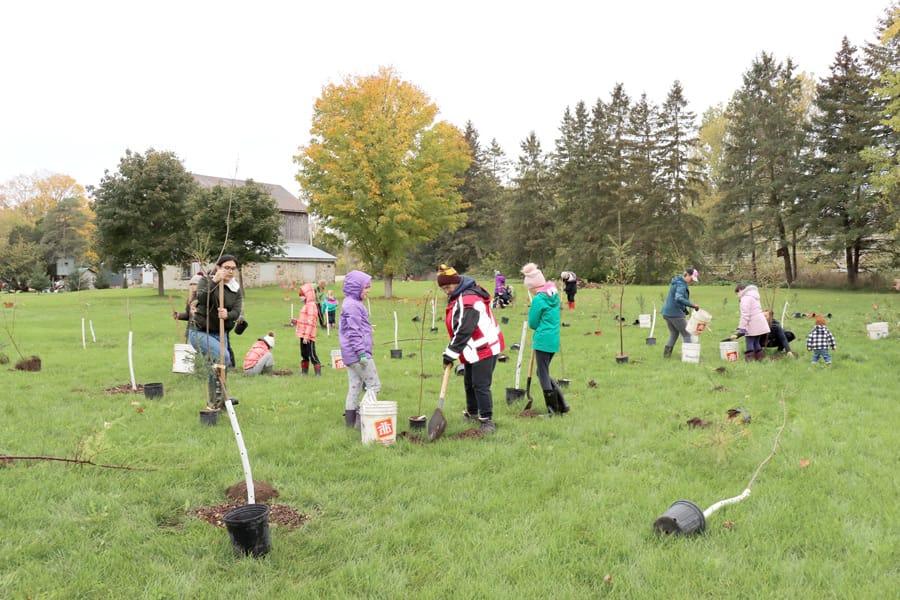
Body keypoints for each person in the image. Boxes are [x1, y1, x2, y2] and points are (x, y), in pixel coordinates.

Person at [437, 264, 505, 434]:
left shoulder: (469, 300)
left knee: (480, 384)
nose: (446, 291)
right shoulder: (459, 294)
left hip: (484, 346)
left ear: (457, 282)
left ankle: (487, 420)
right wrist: (453, 350)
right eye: (443, 288)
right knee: (469, 382)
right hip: (471, 348)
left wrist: (451, 353)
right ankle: (472, 413)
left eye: (448, 287)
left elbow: (465, 329)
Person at [189, 255, 244, 409]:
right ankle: (219, 399)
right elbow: (201, 297)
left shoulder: (235, 289)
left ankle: (217, 401)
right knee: (223, 357)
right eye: (226, 267)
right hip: (200, 331)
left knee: (218, 367)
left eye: (233, 268)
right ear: (218, 267)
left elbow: (237, 310)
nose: (230, 271)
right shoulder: (207, 281)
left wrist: (228, 314)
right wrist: (215, 282)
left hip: (221, 333)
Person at [523, 263, 569, 415]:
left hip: (542, 340)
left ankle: (553, 409)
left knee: (542, 373)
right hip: (554, 339)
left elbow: (533, 323)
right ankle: (562, 404)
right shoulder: (553, 295)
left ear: (534, 287)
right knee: (542, 371)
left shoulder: (538, 299)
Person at [339, 270, 380, 429]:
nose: (368, 291)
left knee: (355, 386)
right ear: (356, 288)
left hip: (349, 355)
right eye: (365, 288)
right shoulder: (353, 306)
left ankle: (350, 422)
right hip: (358, 355)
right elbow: (353, 332)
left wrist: (368, 328)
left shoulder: (351, 303)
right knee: (374, 385)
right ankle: (362, 420)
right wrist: (362, 353)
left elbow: (356, 327)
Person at [661, 268, 701, 358]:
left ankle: (666, 355)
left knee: (674, 333)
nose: (692, 281)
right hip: (675, 313)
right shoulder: (681, 285)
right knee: (687, 333)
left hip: (666, 312)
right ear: (686, 275)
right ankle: (689, 356)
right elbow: (678, 298)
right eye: (691, 279)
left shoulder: (677, 281)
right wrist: (692, 305)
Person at [733, 283, 770, 361]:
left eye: (737, 293)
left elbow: (745, 315)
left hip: (753, 323)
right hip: (760, 322)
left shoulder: (745, 298)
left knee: (749, 341)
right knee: (756, 342)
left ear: (740, 290)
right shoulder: (754, 296)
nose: (737, 295)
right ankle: (761, 359)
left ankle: (750, 360)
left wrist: (742, 329)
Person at [293, 282, 322, 376]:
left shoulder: (312, 306)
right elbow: (304, 321)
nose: (300, 298)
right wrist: (296, 322)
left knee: (312, 354)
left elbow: (310, 322)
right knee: (304, 354)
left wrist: (307, 336)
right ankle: (304, 372)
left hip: (309, 336)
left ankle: (318, 372)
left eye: (302, 295)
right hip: (303, 335)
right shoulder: (305, 306)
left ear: (307, 295)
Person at [173, 273, 203, 339]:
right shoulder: (190, 299)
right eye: (191, 284)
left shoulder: (204, 298)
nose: (192, 286)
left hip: (201, 331)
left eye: (195, 284)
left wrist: (196, 313)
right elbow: (188, 315)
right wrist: (179, 315)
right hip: (191, 330)